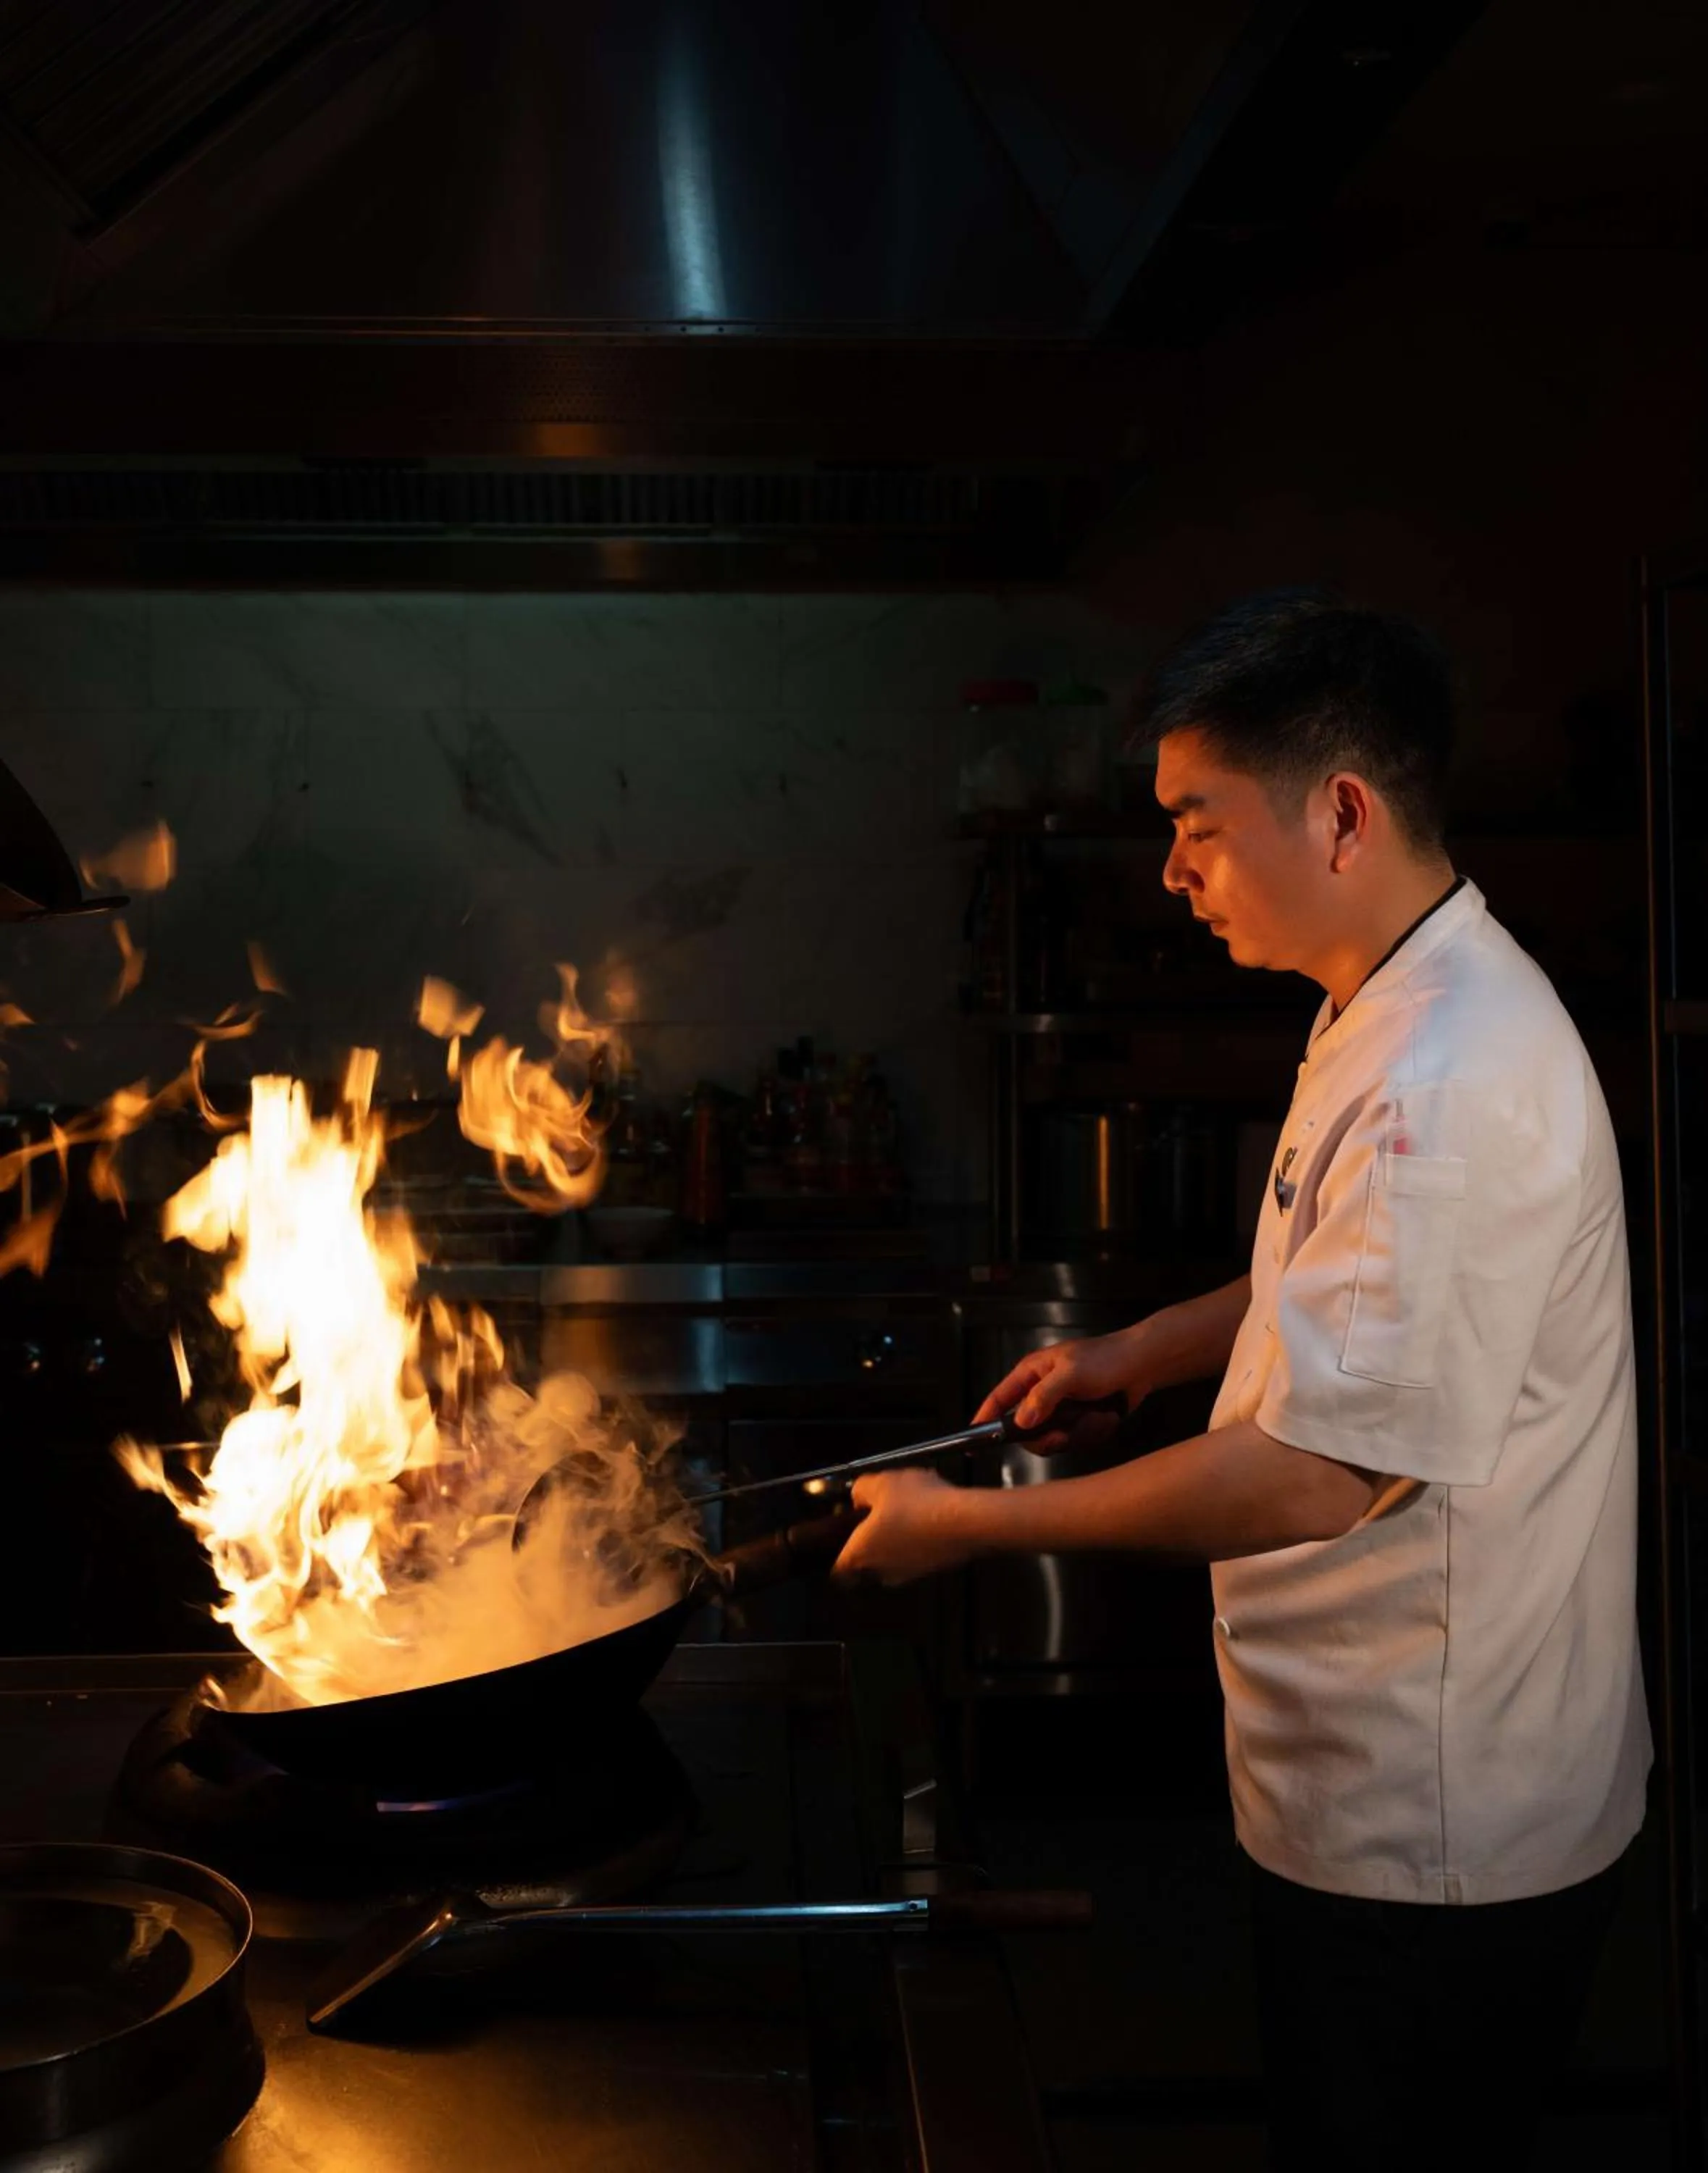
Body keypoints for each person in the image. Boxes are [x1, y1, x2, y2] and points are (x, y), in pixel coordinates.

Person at [832, 593, 1651, 2169]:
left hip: (1433, 1828)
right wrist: (1133, 1355)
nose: (1171, 868)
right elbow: (1325, 1276)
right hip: (1365, 1774)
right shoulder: (1387, 997)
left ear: (1338, 812)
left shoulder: (1446, 1081)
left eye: (1196, 822)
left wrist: (967, 1529)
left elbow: (1318, 1473)